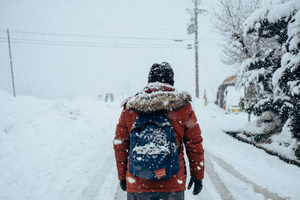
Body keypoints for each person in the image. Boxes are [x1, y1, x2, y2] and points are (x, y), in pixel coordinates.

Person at [113, 62, 205, 200]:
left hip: (138, 184)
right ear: (171, 81)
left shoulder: (130, 107)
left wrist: (122, 177)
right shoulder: (183, 107)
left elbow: (120, 145)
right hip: (172, 185)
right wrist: (197, 176)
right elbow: (194, 145)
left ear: (149, 80)